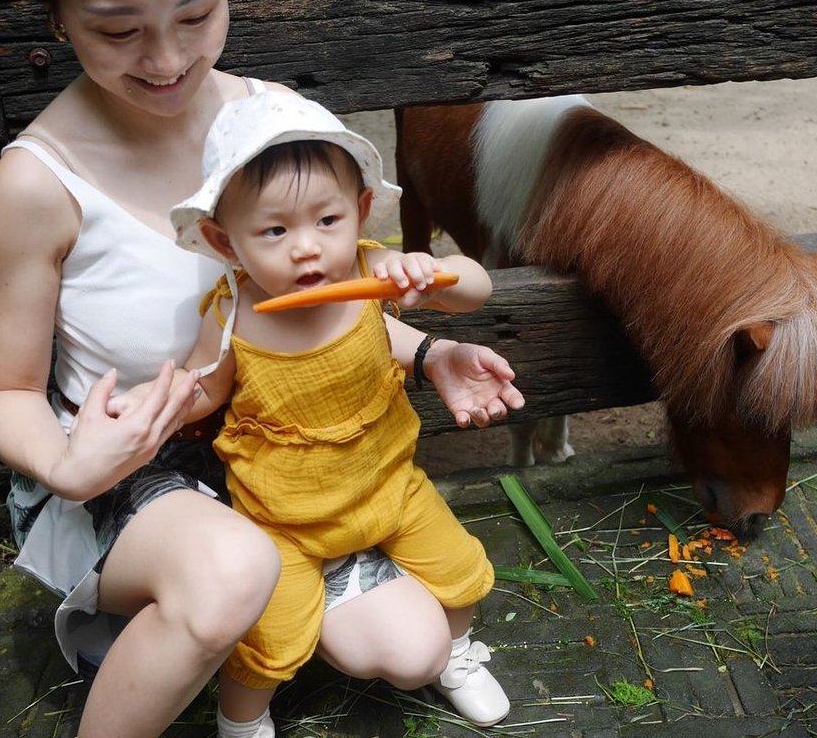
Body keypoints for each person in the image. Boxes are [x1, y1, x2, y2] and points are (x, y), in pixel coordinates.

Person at [0, 0, 523, 736]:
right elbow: (7, 393)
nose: (167, 59)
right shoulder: (35, 184)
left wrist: (431, 351)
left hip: (289, 462)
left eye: (195, 16)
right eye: (119, 30)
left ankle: (262, 619)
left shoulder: (285, 126)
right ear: (58, 19)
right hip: (121, 462)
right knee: (234, 571)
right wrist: (69, 466)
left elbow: (334, 312)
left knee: (410, 647)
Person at [113, 89, 516, 734]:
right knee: (269, 642)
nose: (306, 248)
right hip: (284, 519)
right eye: (274, 231)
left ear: (360, 212)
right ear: (224, 240)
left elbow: (478, 289)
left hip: (390, 486)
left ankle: (459, 655)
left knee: (461, 574)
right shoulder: (232, 313)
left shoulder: (372, 272)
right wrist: (157, 400)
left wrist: (434, 275)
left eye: (327, 220)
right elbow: (204, 389)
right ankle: (242, 720)